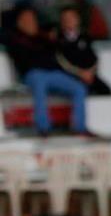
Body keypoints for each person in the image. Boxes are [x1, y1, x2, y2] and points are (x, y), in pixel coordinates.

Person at [6, 7, 88, 135]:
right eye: (26, 20)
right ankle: (44, 128)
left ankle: (80, 128)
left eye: (32, 19)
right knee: (40, 82)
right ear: (19, 23)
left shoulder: (44, 37)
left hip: (53, 74)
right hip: (33, 75)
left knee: (79, 88)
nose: (30, 22)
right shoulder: (14, 39)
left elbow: (59, 54)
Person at [56, 5, 111, 95]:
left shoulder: (86, 37)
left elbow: (94, 58)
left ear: (78, 19)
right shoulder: (58, 40)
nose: (68, 21)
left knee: (105, 91)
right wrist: (80, 73)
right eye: (65, 18)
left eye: (71, 17)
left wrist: (90, 73)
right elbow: (62, 62)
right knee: (82, 90)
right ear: (61, 22)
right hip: (71, 77)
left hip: (89, 75)